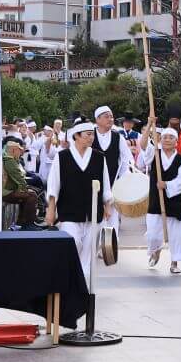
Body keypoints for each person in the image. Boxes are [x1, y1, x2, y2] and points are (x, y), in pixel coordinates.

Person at [46, 120, 112, 281]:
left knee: (88, 254)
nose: (91, 138)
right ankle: (69, 280)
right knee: (72, 243)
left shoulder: (99, 157)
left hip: (93, 213)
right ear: (76, 136)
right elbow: (53, 186)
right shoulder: (62, 157)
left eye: (92, 135)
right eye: (88, 135)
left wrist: (107, 205)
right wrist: (50, 211)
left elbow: (105, 184)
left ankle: (83, 292)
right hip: (69, 212)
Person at [143, 126, 181, 273]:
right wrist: (148, 126)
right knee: (153, 232)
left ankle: (174, 263)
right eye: (164, 137)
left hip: (175, 200)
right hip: (156, 199)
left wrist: (167, 185)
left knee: (176, 233)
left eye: (171, 138)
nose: (167, 140)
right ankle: (156, 250)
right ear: (160, 139)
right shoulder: (155, 154)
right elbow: (143, 145)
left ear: (176, 142)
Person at [1, 136, 44, 230]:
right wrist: (25, 189)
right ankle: (28, 224)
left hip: (8, 189)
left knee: (29, 195)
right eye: (18, 149)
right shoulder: (9, 160)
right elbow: (18, 178)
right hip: (6, 191)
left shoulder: (9, 158)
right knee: (31, 196)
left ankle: (22, 223)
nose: (21, 151)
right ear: (13, 150)